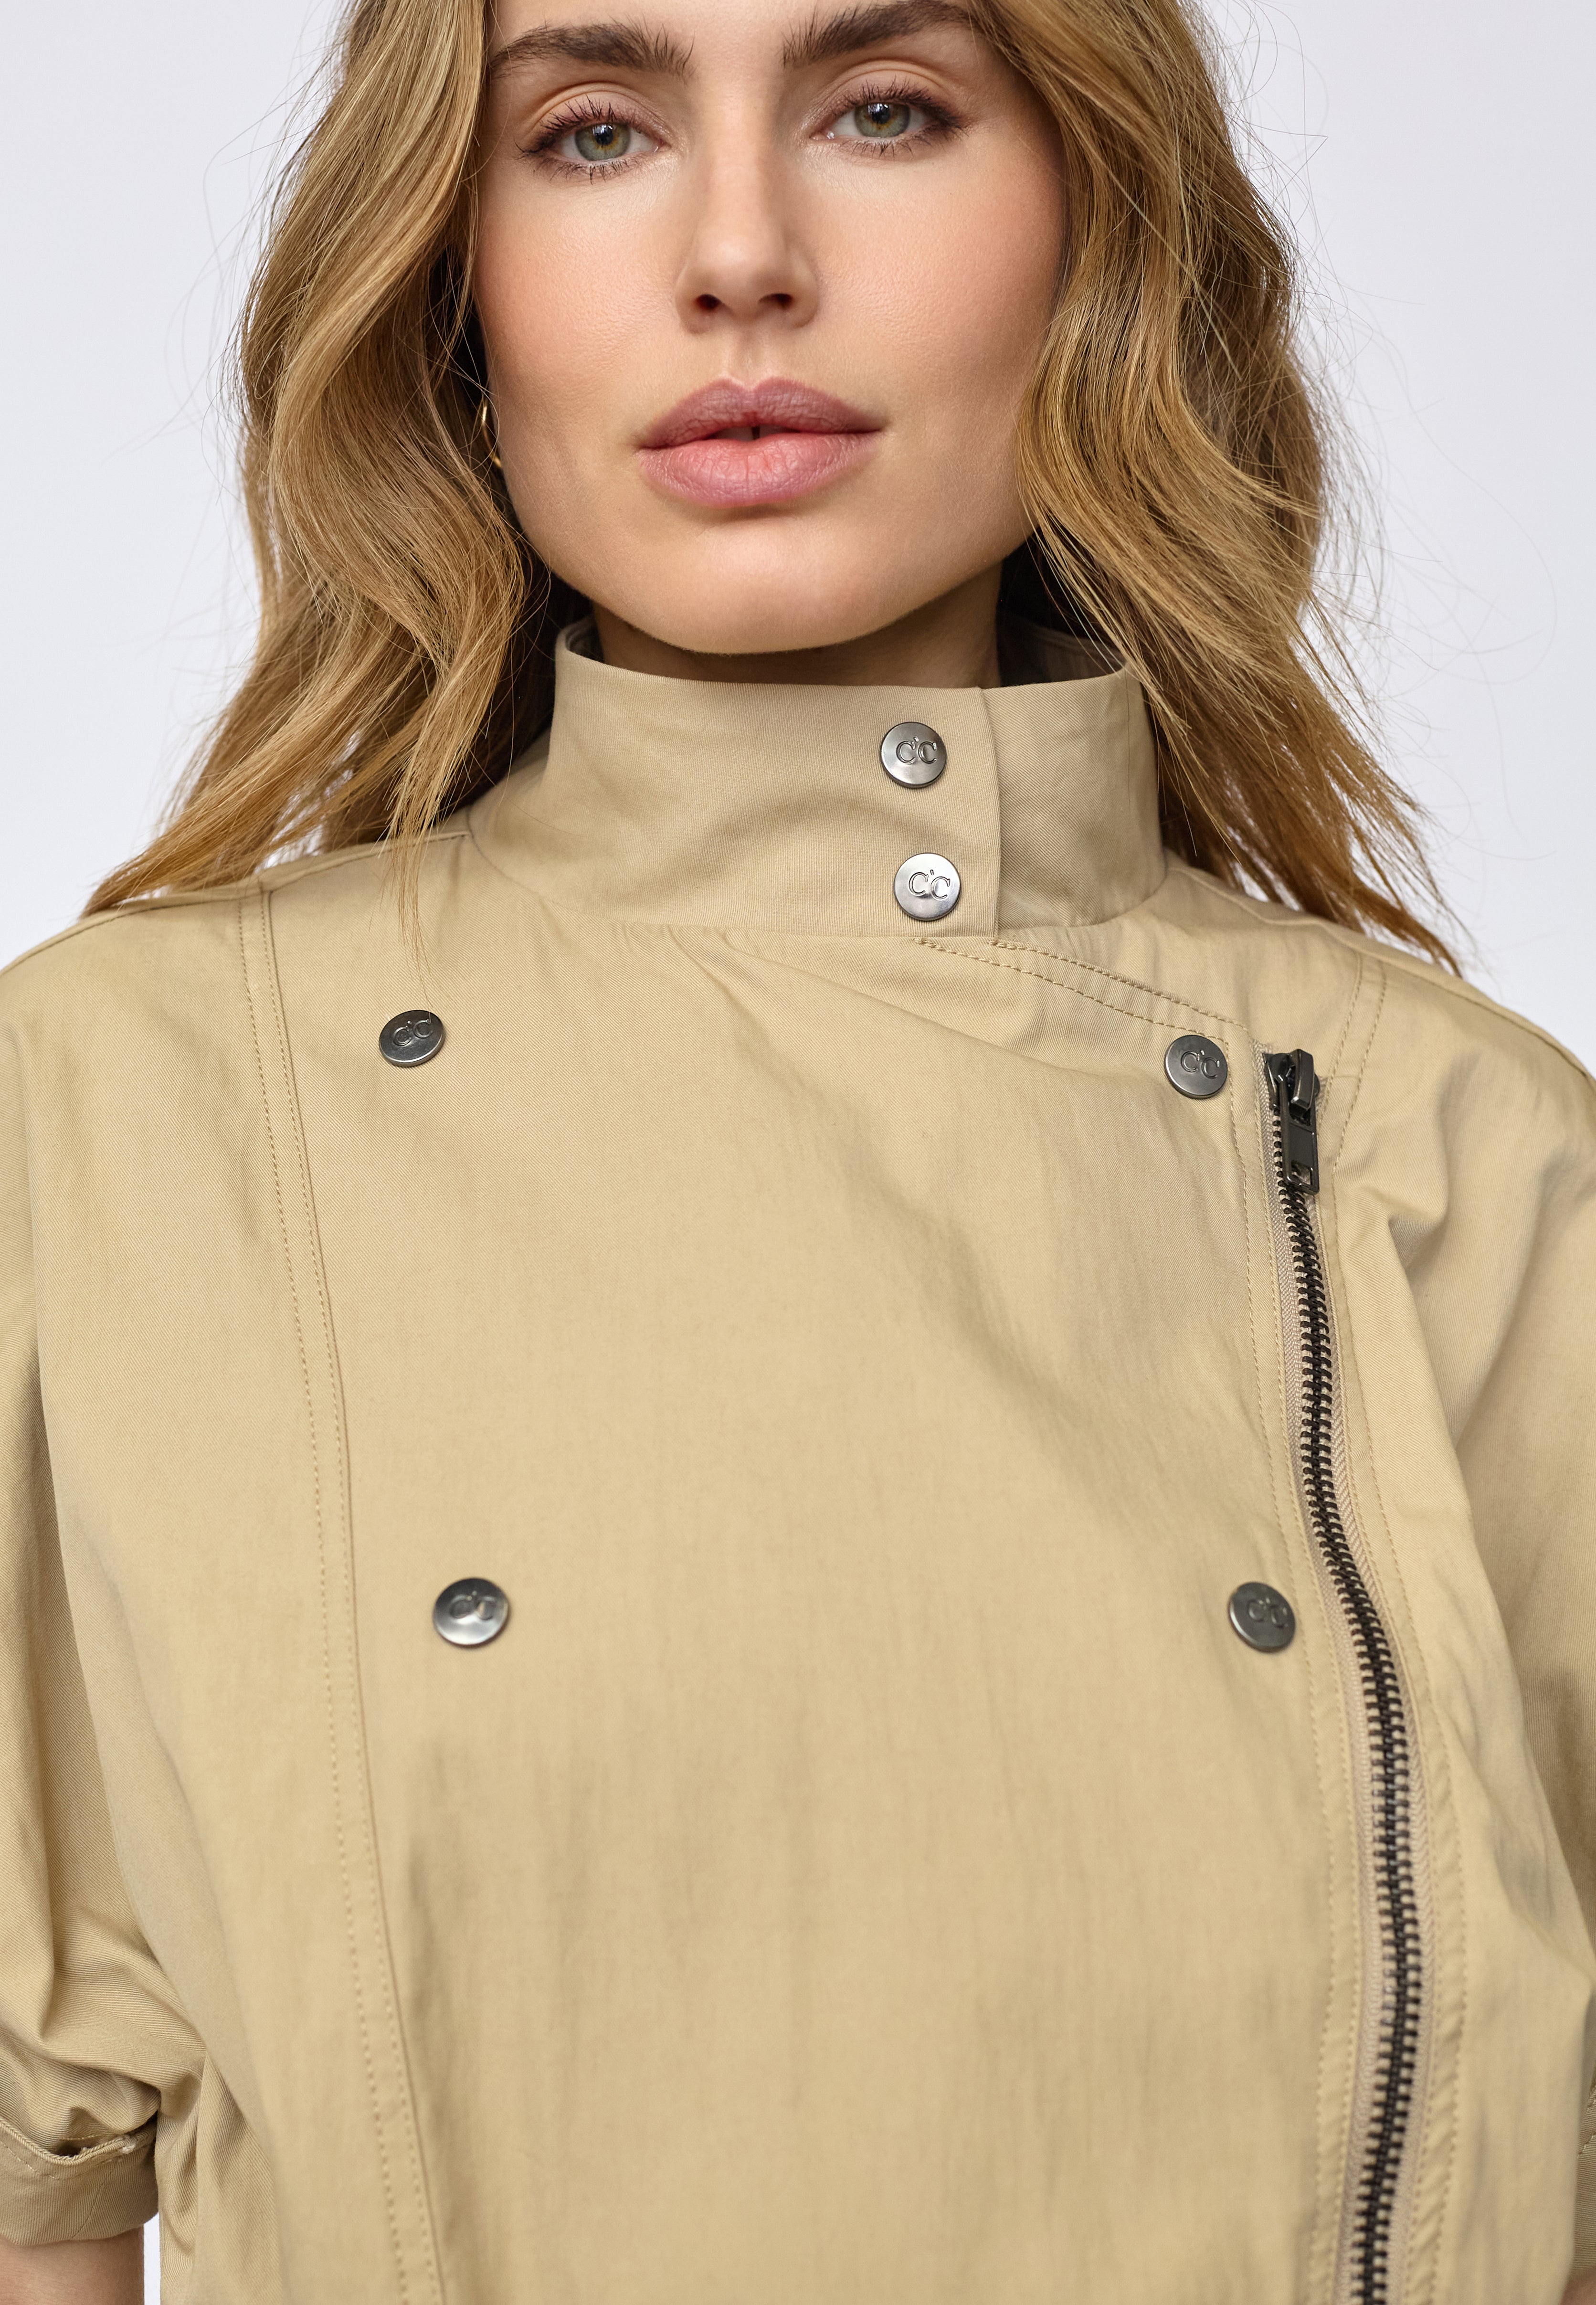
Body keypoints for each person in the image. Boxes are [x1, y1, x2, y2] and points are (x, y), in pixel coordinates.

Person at [2, 0, 1593, 2295]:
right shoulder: (130, 1107)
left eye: (883, 111)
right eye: (592, 132)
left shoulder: (1457, 1150)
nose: (739, 252)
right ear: (451, 293)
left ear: (1102, 243)